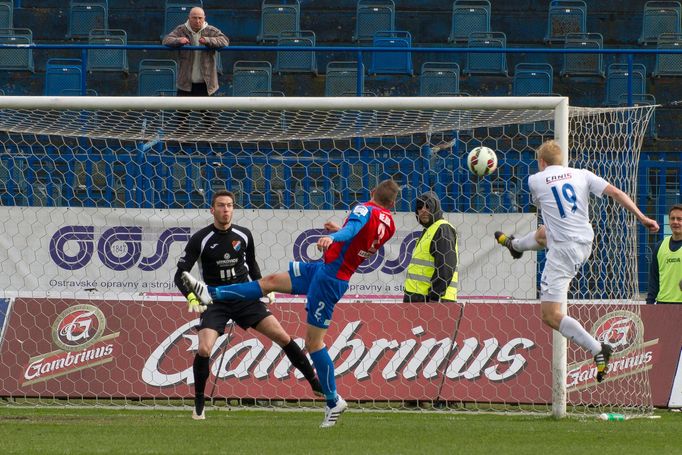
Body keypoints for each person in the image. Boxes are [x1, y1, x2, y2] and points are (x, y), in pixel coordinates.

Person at [183, 179, 400, 427]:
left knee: (314, 343)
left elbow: (353, 230)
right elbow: (360, 239)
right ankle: (211, 293)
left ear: (372, 193)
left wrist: (335, 237)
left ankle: (332, 401)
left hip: (329, 279)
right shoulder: (390, 224)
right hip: (323, 269)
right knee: (270, 281)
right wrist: (338, 232)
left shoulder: (364, 209)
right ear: (393, 203)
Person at [494, 140, 659, 383]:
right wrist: (642, 217)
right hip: (585, 242)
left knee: (550, 315)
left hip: (563, 252)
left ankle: (597, 348)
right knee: (543, 232)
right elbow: (616, 192)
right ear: (563, 161)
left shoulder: (535, 180)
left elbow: (546, 202)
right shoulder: (582, 174)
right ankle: (516, 246)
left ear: (541, 162)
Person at [174, 190, 323, 420]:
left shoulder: (243, 235)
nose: (226, 210)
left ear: (234, 208)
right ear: (212, 210)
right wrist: (192, 297)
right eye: (221, 205)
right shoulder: (200, 239)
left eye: (230, 205)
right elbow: (180, 274)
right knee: (204, 349)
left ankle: (315, 383)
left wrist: (266, 289)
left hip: (245, 297)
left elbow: (251, 265)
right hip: (215, 300)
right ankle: (199, 403)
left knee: (283, 337)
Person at [403, 192, 458, 303]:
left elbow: (446, 266)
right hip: (420, 299)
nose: (423, 210)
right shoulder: (429, 230)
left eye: (428, 206)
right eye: (419, 207)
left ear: (436, 207)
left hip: (432, 301)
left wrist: (434, 296)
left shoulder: (442, 229)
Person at [162, 7, 228, 96]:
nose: (197, 21)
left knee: (207, 110)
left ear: (204, 18)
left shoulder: (211, 30)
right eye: (194, 17)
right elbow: (166, 40)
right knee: (182, 110)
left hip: (207, 84)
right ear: (189, 17)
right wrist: (178, 40)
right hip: (185, 84)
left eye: (200, 18)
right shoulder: (181, 29)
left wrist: (208, 40)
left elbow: (225, 40)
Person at [646, 204, 682, 304]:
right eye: (672, 218)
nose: (675, 222)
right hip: (662, 304)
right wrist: (649, 303)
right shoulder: (659, 246)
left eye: (679, 219)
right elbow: (654, 279)